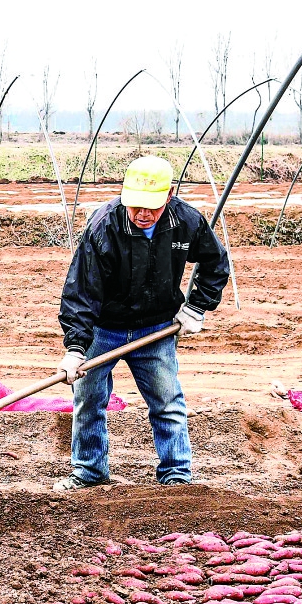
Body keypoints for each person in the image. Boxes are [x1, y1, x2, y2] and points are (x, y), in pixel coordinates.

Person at [56, 154, 230, 489]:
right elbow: (82, 291)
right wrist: (77, 348)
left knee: (167, 402)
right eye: (135, 206)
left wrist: (196, 307)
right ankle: (89, 474)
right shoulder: (104, 226)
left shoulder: (186, 221)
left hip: (156, 328)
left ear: (169, 195)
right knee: (88, 400)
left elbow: (215, 263)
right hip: (103, 329)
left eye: (151, 206)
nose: (142, 214)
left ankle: (176, 477)